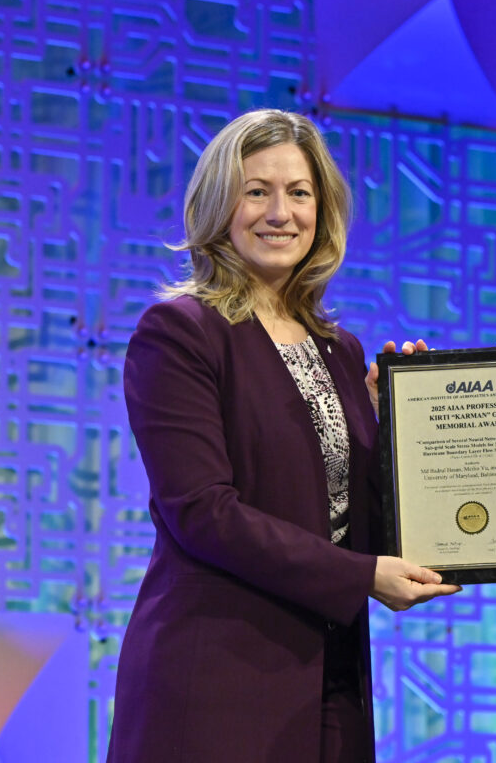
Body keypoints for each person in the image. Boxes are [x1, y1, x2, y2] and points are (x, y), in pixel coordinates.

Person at [107, 108, 460, 763]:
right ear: (221, 204)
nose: (280, 212)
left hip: (331, 682)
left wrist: (442, 420)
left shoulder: (338, 348)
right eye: (257, 191)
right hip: (216, 680)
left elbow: (356, 521)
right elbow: (203, 513)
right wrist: (361, 576)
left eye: (299, 193)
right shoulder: (181, 331)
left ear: (322, 211)